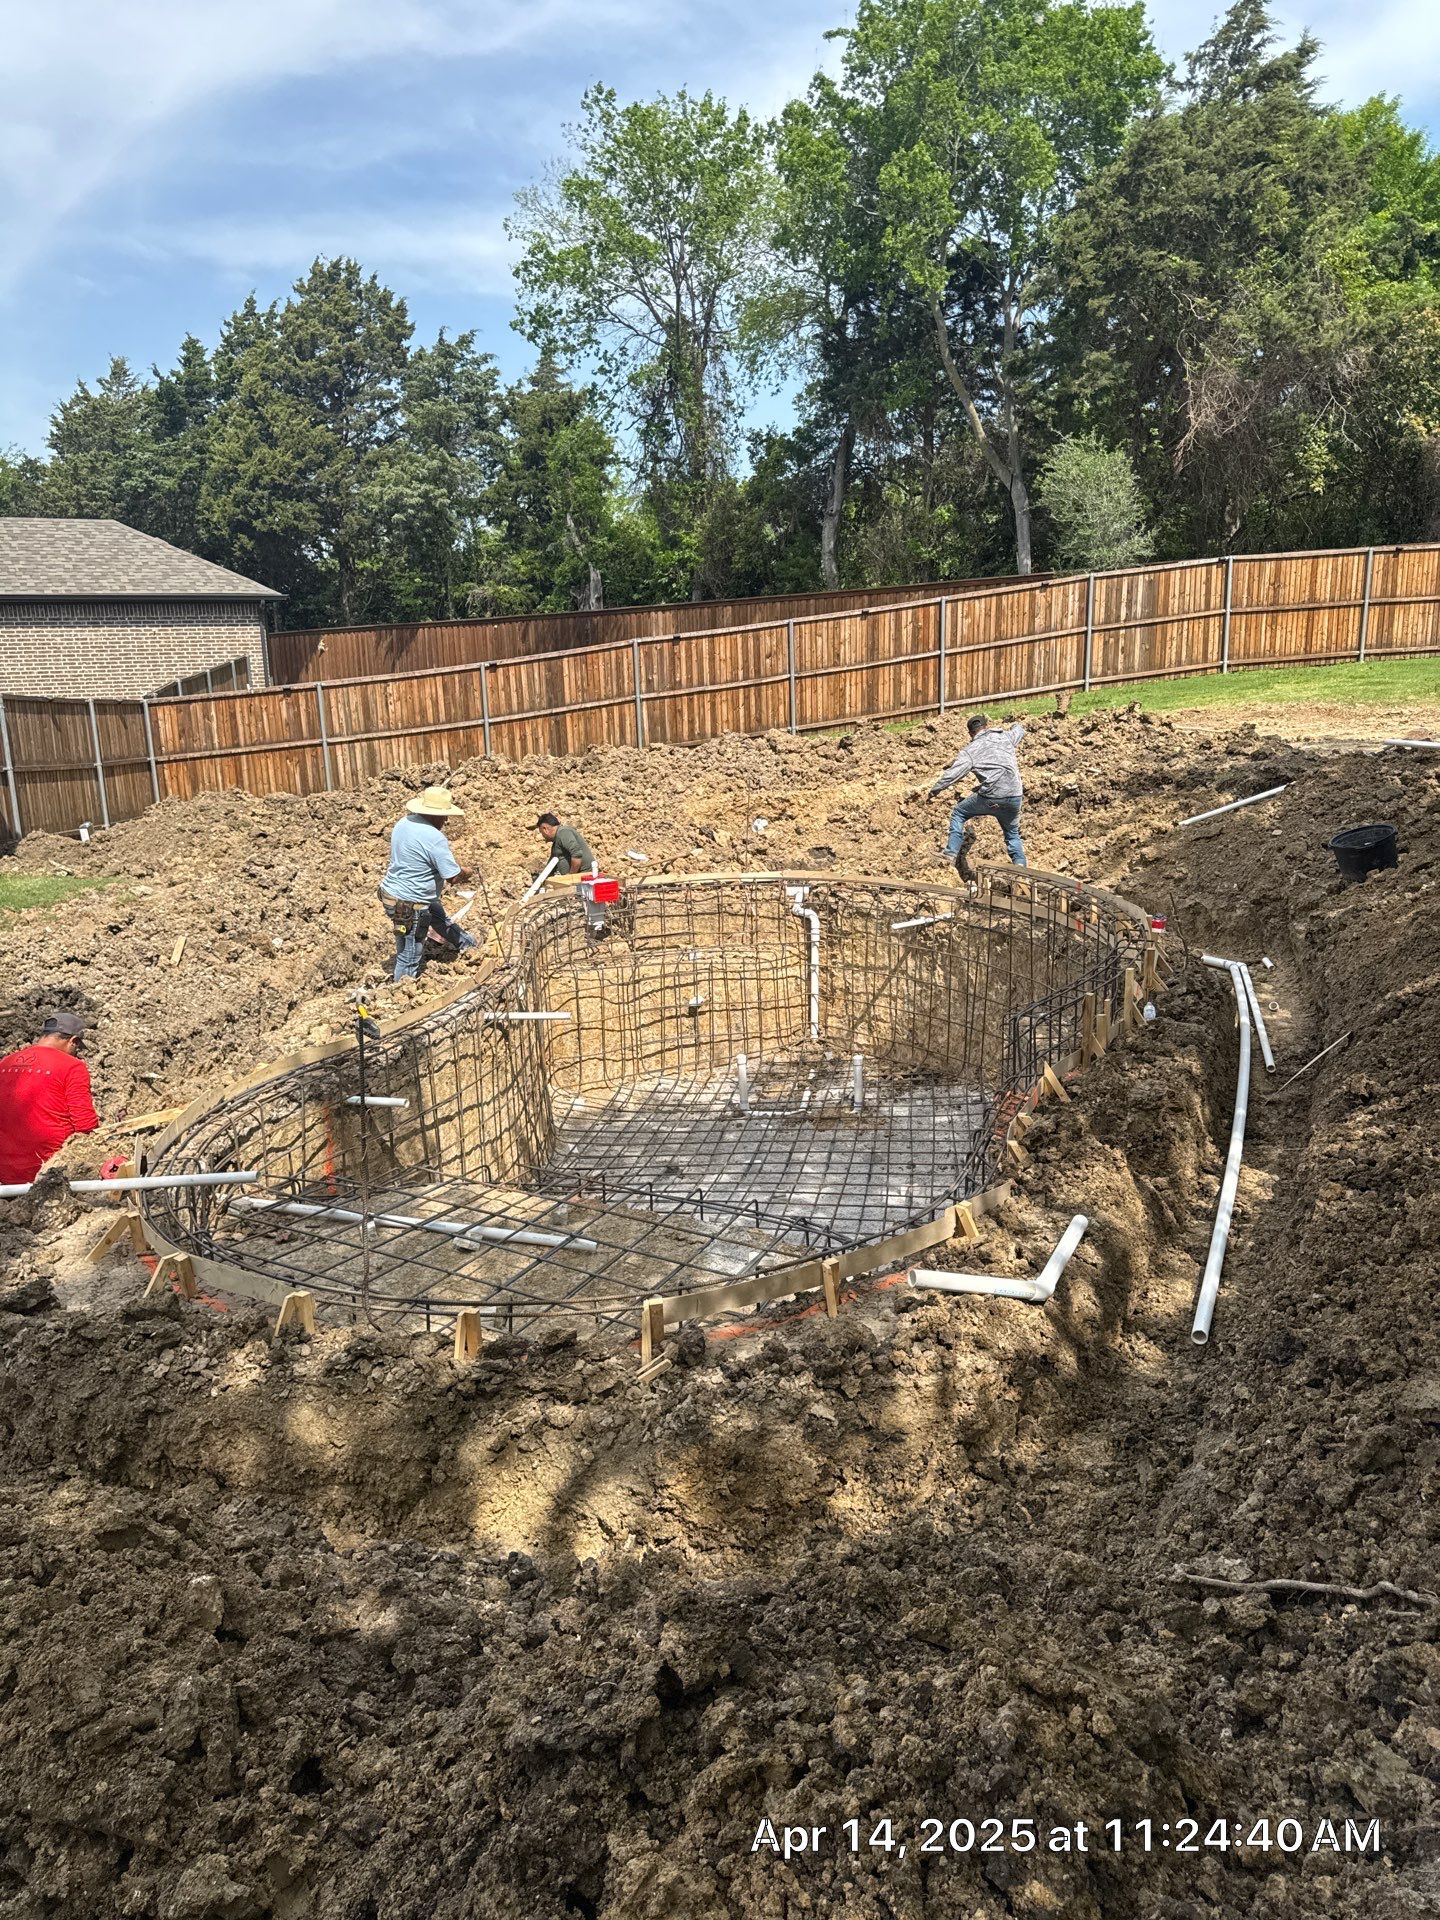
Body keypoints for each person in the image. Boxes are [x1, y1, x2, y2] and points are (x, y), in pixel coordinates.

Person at [379, 786, 480, 981]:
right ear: (433, 815)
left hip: (393, 892)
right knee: (409, 955)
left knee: (438, 917)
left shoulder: (404, 822)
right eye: (443, 816)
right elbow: (452, 877)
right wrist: (466, 872)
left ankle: (469, 945)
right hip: (410, 904)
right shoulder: (434, 837)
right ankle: (401, 996)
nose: (446, 820)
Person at [0, 1011, 99, 1186]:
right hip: (48, 1174)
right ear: (73, 1041)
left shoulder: (6, 1062)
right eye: (76, 1048)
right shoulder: (72, 1066)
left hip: (5, 1174)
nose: (76, 1053)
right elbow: (85, 1124)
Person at [927, 714, 1028, 878]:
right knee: (1012, 834)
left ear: (970, 733)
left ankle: (950, 853)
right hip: (1015, 796)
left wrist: (935, 790)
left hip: (991, 797)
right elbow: (1019, 730)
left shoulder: (970, 751)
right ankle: (1021, 867)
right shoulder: (1005, 737)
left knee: (959, 813)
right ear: (986, 726)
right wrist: (1016, 723)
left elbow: (953, 774)